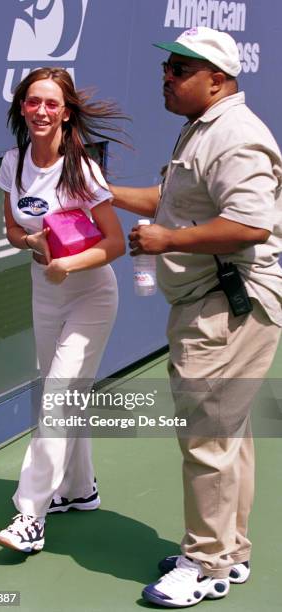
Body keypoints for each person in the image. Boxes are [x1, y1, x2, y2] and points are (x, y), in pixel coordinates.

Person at [110, 27, 282, 608]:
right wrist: (102, 190)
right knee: (228, 436)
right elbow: (168, 199)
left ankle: (204, 562)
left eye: (180, 68)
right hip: (218, 301)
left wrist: (168, 240)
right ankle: (227, 550)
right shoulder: (204, 129)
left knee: (207, 438)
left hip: (227, 305)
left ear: (217, 78)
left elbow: (251, 225)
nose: (168, 76)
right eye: (168, 67)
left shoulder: (234, 136)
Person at [0, 67, 126, 552]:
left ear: (66, 114)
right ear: (22, 108)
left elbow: (114, 244)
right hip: (44, 290)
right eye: (33, 102)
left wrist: (67, 263)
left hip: (91, 294)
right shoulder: (14, 161)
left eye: (51, 104)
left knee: (57, 397)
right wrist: (31, 241)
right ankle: (79, 489)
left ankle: (31, 515)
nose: (41, 111)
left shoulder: (81, 168)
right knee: (64, 397)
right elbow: (13, 229)